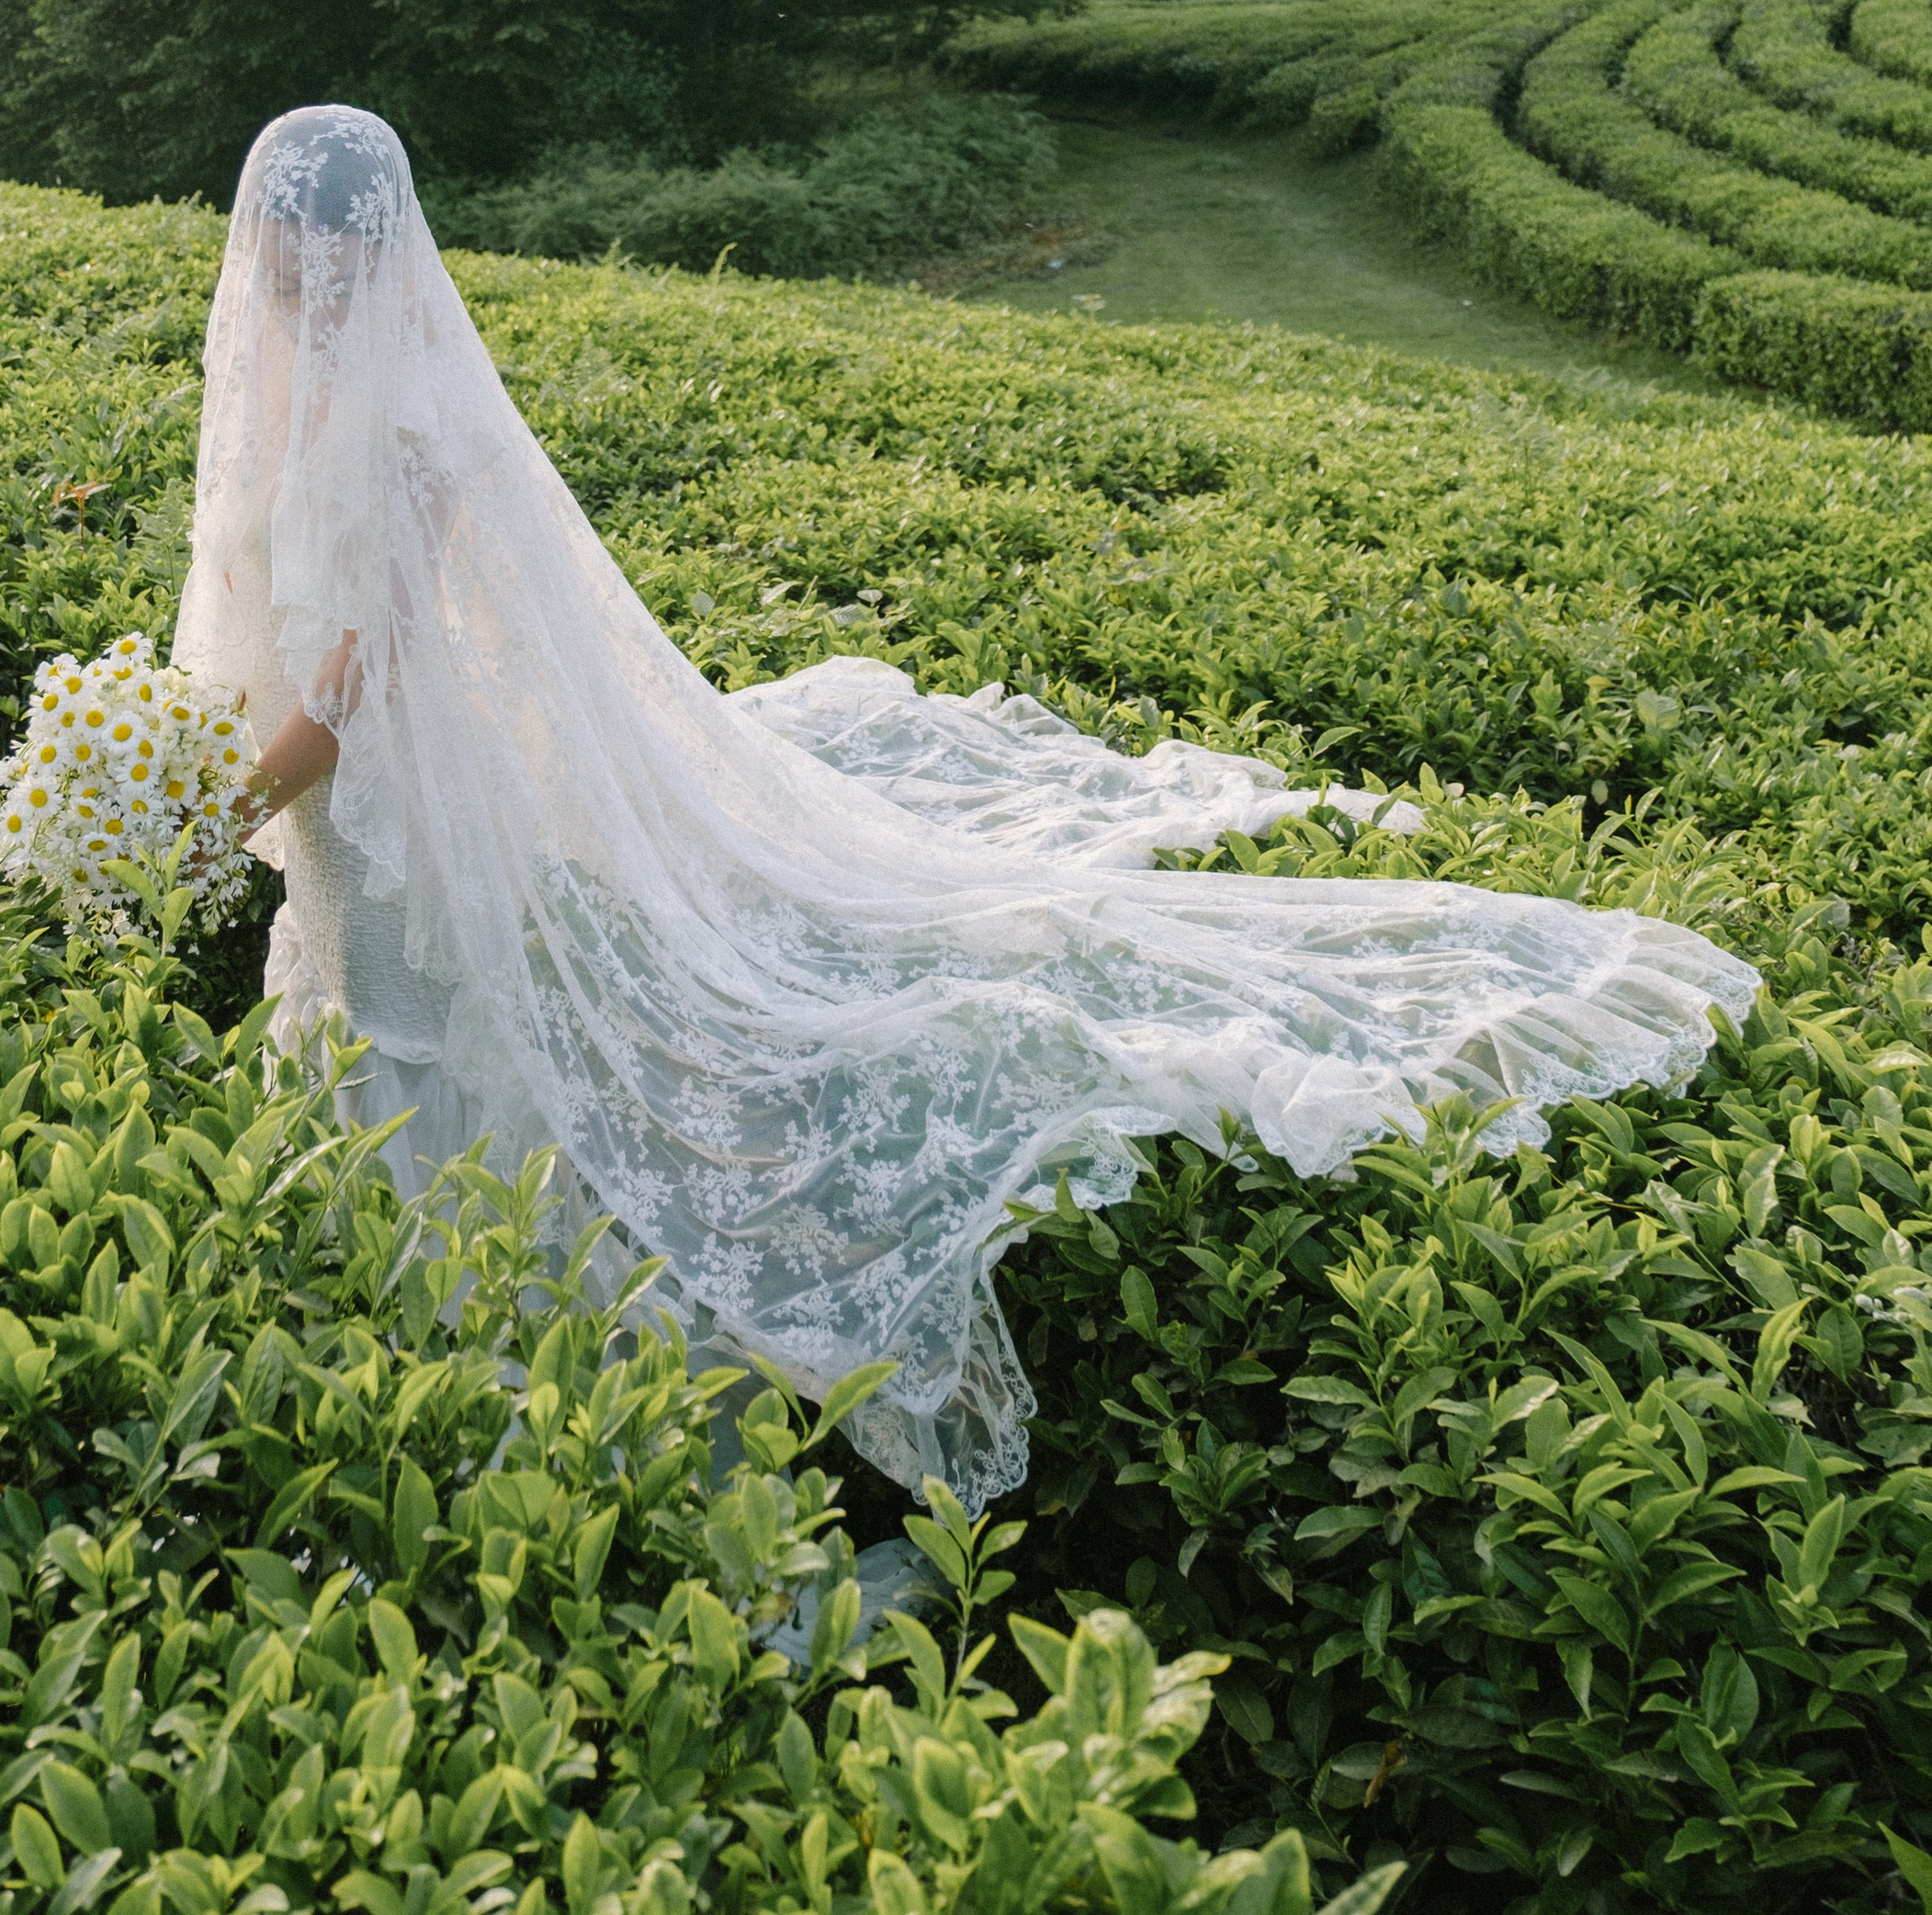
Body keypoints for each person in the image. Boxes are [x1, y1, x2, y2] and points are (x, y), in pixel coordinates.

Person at [175, 103, 1756, 1507]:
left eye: (316, 253)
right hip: (321, 785)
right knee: (360, 1023)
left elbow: (364, 677)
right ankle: (388, 1301)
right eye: (281, 254)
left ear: (365, 246)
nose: (294, 278)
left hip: (384, 787)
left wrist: (208, 804)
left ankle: (489, 1350)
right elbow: (258, 618)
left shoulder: (408, 417)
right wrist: (177, 750)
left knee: (408, 1029)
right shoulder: (271, 372)